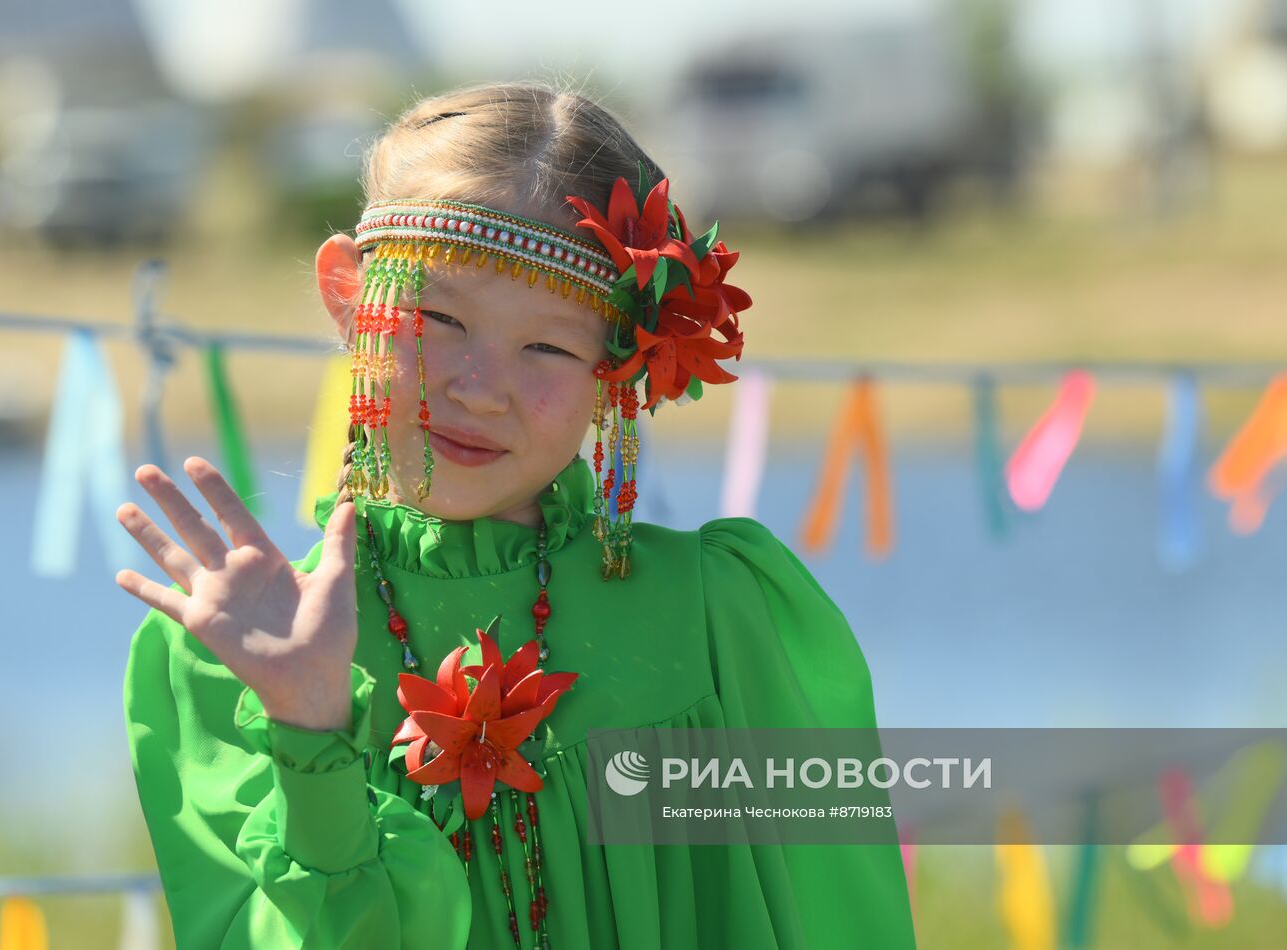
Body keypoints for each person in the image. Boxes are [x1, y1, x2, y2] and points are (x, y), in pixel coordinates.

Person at [119, 79, 917, 949]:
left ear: (619, 373)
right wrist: (310, 729)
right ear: (350, 297)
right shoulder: (229, 656)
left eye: (546, 346)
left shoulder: (719, 615)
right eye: (436, 317)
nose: (478, 389)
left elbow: (836, 917)